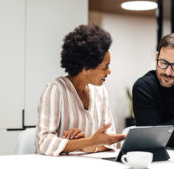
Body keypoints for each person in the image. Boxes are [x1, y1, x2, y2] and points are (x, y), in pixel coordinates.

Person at [36, 25, 125, 156]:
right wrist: (89, 142)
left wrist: (90, 146)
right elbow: (44, 143)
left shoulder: (101, 92)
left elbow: (110, 140)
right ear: (86, 68)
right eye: (105, 67)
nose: (109, 71)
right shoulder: (56, 90)